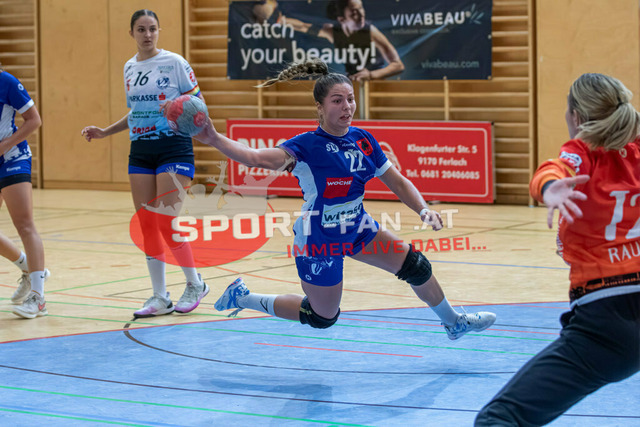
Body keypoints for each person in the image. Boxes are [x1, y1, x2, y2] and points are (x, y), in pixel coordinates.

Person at [182, 58, 495, 338]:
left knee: (416, 266)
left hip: (357, 227)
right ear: (319, 107)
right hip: (319, 238)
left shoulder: (363, 140)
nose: (347, 107)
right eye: (337, 101)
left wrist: (423, 209)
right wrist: (213, 137)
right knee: (322, 317)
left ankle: (454, 322)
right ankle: (243, 297)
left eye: (350, 99)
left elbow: (397, 181)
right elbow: (254, 157)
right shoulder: (306, 146)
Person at [475, 73, 640, 426]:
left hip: (608, 321)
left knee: (499, 419)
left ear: (576, 117)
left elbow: (553, 169)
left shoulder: (583, 151)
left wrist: (548, 188)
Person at [81, 9, 209, 318]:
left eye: (152, 28)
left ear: (159, 31)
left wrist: (178, 106)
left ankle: (195, 283)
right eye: (141, 29)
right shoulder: (129, 67)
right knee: (146, 223)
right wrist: (106, 131)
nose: (147, 34)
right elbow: (137, 112)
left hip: (174, 147)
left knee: (165, 220)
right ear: (132, 33)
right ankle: (159, 296)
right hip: (140, 150)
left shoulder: (175, 63)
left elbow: (200, 106)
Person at [0, 63, 50, 319]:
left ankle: (38, 298)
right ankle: (28, 267)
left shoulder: (6, 81)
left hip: (12, 157)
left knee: (24, 224)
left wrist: (4, 145)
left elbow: (34, 120)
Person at [282, 0, 405, 81]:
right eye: (354, 12)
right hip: (352, 84)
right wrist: (281, 20)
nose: (361, 15)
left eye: (361, 8)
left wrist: (371, 75)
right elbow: (304, 27)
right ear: (341, 19)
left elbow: (398, 65)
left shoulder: (371, 31)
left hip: (375, 84)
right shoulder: (334, 33)